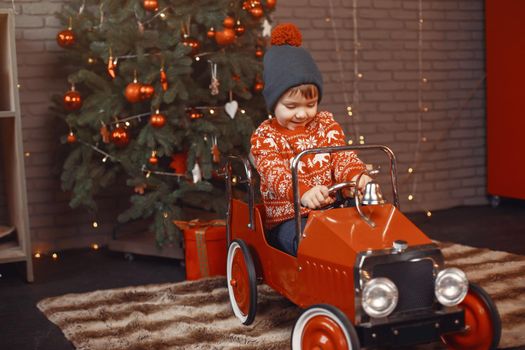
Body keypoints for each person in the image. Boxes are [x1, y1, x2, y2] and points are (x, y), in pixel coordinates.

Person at [250, 23, 372, 256]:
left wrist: (355, 175)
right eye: (291, 106)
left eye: (310, 105)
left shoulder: (325, 124)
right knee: (309, 242)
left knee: (369, 224)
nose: (302, 113)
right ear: (274, 103)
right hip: (290, 218)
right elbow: (274, 173)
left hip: (333, 210)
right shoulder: (265, 136)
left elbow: (342, 155)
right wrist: (303, 192)